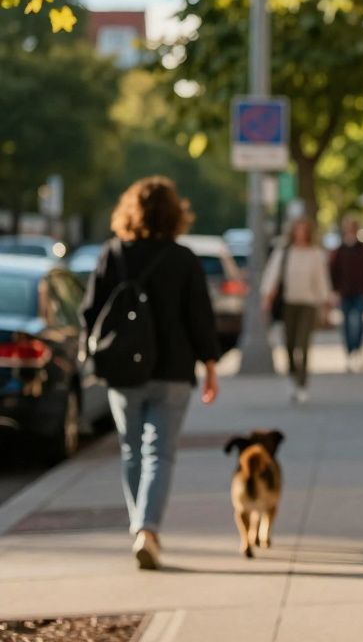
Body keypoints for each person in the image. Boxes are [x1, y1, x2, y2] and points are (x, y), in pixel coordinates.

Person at [81, 176, 220, 571]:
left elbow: (90, 313)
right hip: (173, 370)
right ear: (175, 213)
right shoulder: (183, 258)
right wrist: (210, 365)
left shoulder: (113, 255)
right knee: (161, 453)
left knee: (131, 450)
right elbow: (200, 319)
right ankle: (148, 529)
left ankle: (140, 526)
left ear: (130, 211)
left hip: (123, 370)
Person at [261, 218, 333, 404]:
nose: (300, 233)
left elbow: (321, 280)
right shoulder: (284, 252)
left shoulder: (315, 253)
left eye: (304, 230)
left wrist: (326, 305)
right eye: (297, 230)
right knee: (290, 344)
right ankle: (293, 376)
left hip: (308, 304)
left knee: (304, 344)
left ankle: (302, 383)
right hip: (288, 304)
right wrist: (267, 297)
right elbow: (272, 275)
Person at [329, 217, 363, 372]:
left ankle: (358, 348)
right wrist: (334, 291)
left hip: (360, 291)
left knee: (359, 322)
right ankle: (349, 352)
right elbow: (333, 271)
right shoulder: (339, 250)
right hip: (344, 292)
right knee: (346, 324)